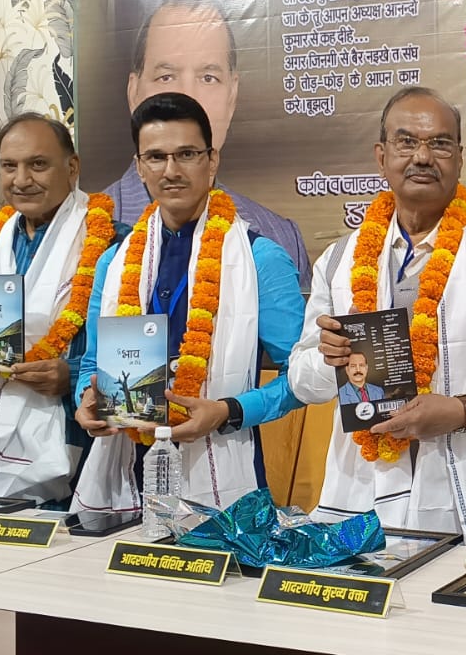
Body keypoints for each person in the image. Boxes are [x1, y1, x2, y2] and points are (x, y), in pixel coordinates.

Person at [287, 86, 466, 536]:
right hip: (363, 493)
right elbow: (303, 383)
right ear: (381, 156)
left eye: (439, 143)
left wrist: (463, 411)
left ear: (459, 159)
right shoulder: (340, 262)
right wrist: (330, 360)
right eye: (406, 142)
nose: (422, 157)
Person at [71, 92, 306, 513]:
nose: (171, 171)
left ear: (212, 161)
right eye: (156, 157)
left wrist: (229, 410)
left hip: (224, 472)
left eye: (187, 154)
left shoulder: (260, 259)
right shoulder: (114, 261)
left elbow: (303, 378)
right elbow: (92, 364)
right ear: (139, 167)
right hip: (124, 474)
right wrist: (84, 401)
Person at [0, 113, 130, 505]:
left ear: (72, 168)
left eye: (38, 164)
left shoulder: (114, 243)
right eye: (10, 166)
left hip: (73, 441)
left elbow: (134, 359)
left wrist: (71, 375)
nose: (21, 180)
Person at [104, 0, 311, 287]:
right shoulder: (87, 231)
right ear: (133, 92)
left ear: (232, 95)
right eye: (166, 77)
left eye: (208, 78)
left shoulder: (280, 237)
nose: (188, 97)